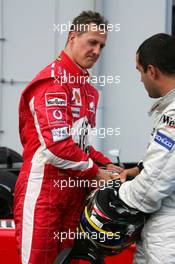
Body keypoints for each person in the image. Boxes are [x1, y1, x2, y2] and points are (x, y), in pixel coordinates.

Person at [13, 10, 121, 264]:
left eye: (101, 46)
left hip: (73, 192)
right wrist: (97, 172)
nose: (96, 51)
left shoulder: (87, 90)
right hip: (43, 191)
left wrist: (109, 166)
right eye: (91, 42)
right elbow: (57, 147)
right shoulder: (52, 82)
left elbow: (80, 146)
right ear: (73, 37)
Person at [118, 33, 175, 264]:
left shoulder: (173, 115)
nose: (141, 79)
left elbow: (150, 188)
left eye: (139, 71)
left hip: (167, 240)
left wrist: (115, 193)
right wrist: (138, 170)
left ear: (152, 71)